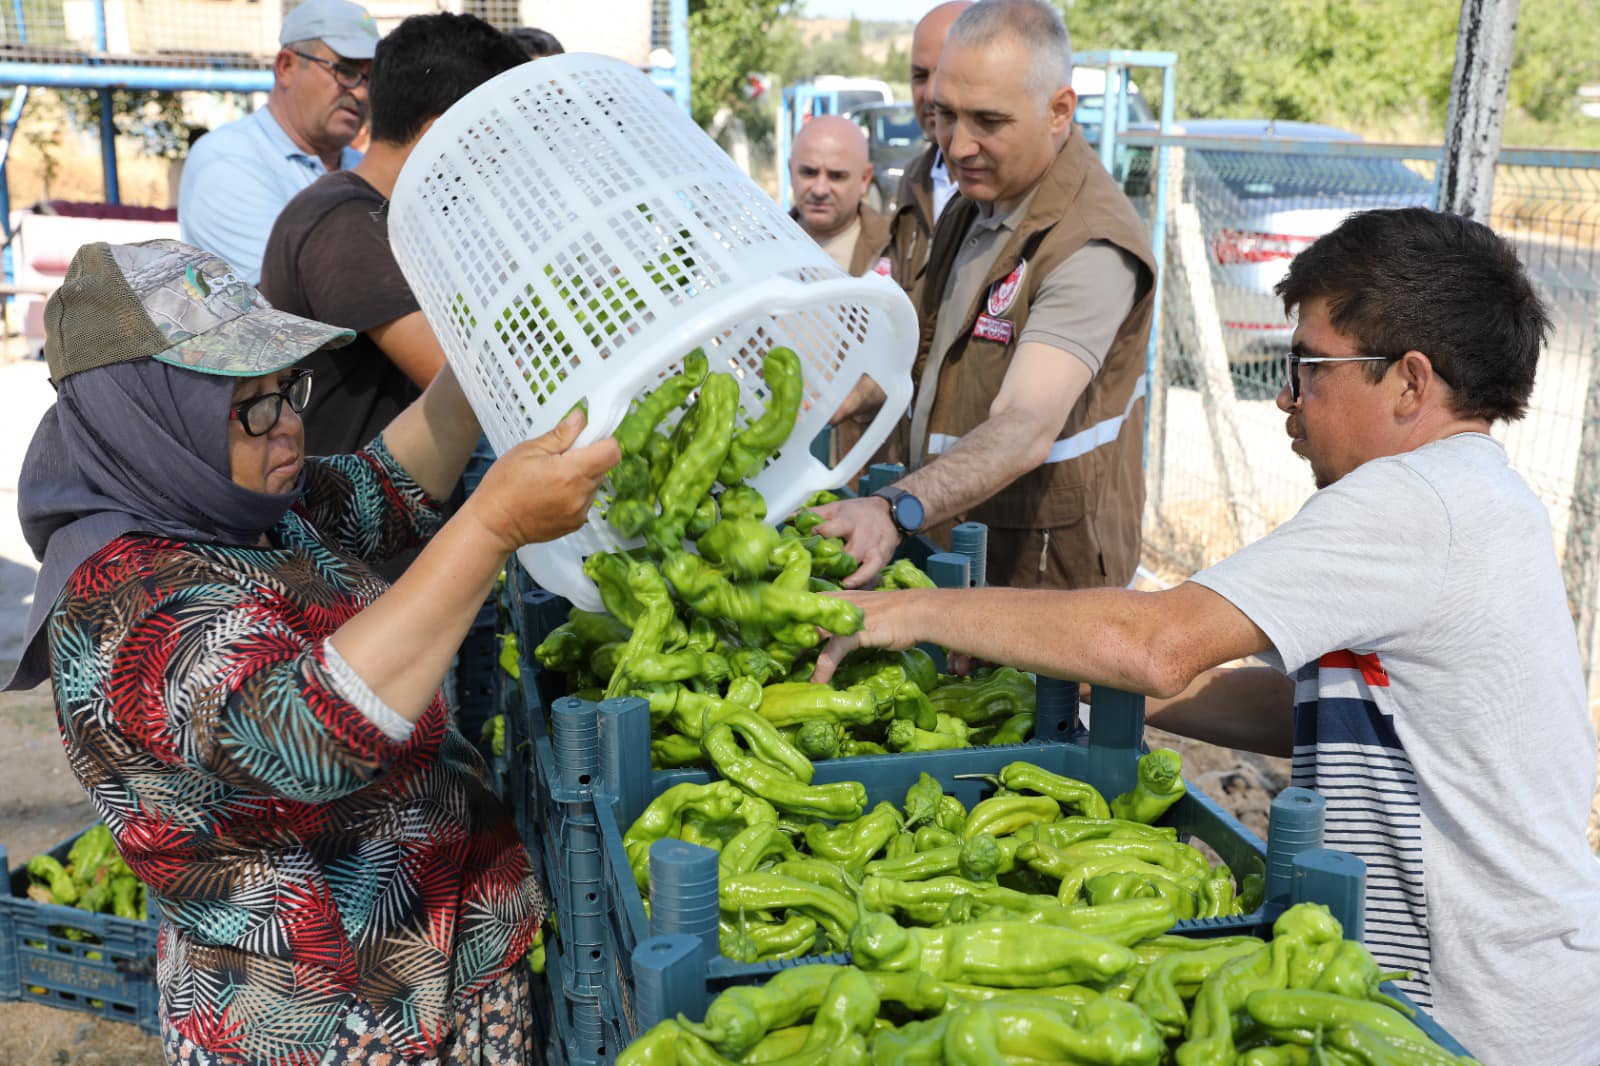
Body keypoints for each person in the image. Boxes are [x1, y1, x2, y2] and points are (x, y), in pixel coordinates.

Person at [813, 207, 1600, 1066]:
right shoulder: (1474, 495)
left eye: (1308, 366)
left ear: (1410, 383)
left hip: (1472, 1015)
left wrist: (909, 613)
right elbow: (1290, 710)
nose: (1286, 395)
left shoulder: (1417, 501)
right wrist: (1056, 664)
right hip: (1498, 989)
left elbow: (1158, 642)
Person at [5, 239, 618, 1064]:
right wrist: (495, 526)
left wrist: (480, 353)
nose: (288, 420)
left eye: (287, 388)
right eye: (248, 404)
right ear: (149, 420)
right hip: (338, 1025)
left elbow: (384, 485)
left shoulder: (239, 502)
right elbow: (307, 735)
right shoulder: (126, 608)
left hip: (445, 965)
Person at [817, 0, 1154, 593]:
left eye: (988, 121)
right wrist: (825, 405)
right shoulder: (976, 204)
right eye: (945, 114)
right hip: (960, 549)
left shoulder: (1091, 243)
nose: (958, 145)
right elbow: (920, 353)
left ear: (1058, 111)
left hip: (1042, 580)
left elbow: (1025, 424)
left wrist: (897, 508)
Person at [260, 13, 526, 462]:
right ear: (444, 132)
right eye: (497, 136)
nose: (504, 158)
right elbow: (484, 389)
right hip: (347, 521)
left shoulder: (396, 220)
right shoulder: (343, 224)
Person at [178, 0, 380, 283]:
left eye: (371, 79)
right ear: (286, 66)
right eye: (346, 71)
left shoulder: (362, 167)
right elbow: (294, 297)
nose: (361, 93)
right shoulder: (227, 161)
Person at [885, 0, 972, 292]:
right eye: (920, 76)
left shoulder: (1004, 184)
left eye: (947, 73)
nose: (931, 93)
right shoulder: (915, 178)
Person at [789, 114, 892, 279]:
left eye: (836, 176)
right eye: (808, 173)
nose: (819, 190)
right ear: (790, 171)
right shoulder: (758, 247)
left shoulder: (896, 250)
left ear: (864, 179)